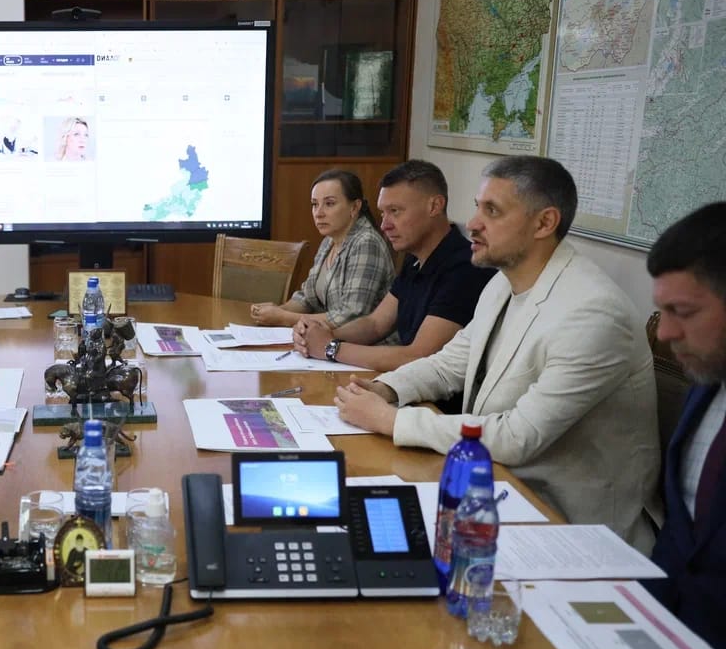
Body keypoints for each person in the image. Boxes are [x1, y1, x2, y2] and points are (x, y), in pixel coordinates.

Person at [333, 156, 660, 549]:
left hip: (571, 528)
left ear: (544, 223)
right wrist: (385, 389)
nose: (472, 223)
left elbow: (518, 437)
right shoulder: (503, 283)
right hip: (497, 491)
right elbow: (449, 364)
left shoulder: (594, 314)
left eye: (492, 211)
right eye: (477, 206)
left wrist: (392, 420)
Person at [293, 161, 494, 408]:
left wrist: (330, 348)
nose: (384, 224)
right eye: (383, 213)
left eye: (395, 211)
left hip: (435, 409)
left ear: (435, 206)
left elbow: (418, 355)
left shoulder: (464, 268)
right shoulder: (416, 256)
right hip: (404, 393)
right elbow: (375, 323)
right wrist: (319, 333)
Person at [643, 202, 726, 649]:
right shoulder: (706, 380)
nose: (665, 333)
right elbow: (682, 536)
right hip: (669, 642)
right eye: (663, 311)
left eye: (684, 312)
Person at [250, 169, 394, 329]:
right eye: (314, 204)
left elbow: (351, 317)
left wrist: (283, 317)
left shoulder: (366, 243)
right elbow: (307, 298)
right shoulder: (328, 241)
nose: (318, 213)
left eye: (329, 204)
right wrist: (276, 311)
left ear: (354, 207)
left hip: (365, 342)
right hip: (328, 338)